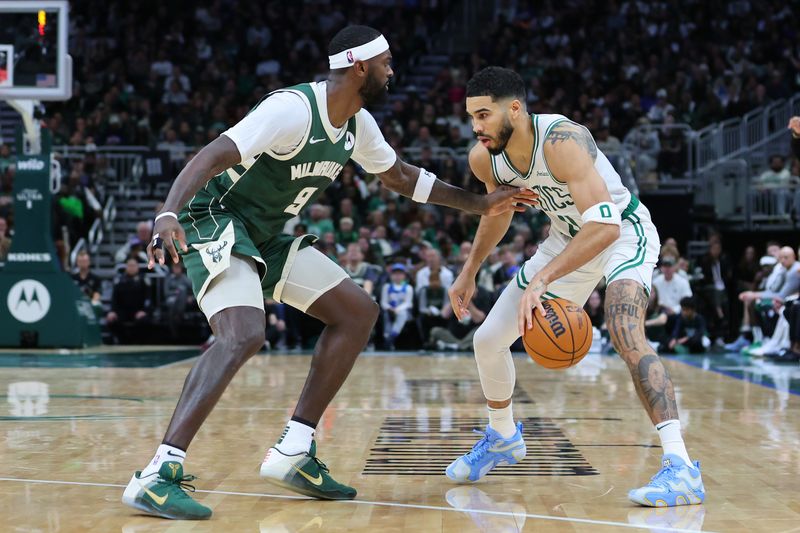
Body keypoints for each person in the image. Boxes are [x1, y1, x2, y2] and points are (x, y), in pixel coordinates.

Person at [123, 27, 535, 520]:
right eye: (385, 63)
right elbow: (211, 156)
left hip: (267, 234)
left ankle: (295, 448)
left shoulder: (358, 126)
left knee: (357, 312)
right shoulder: (291, 109)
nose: (392, 71)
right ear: (360, 66)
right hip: (213, 218)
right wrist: (167, 214)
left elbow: (402, 177)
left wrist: (479, 203)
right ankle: (157, 473)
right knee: (243, 334)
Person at [444, 67, 704, 508]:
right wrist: (469, 270)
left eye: (484, 115)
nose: (476, 127)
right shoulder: (484, 157)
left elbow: (603, 226)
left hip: (622, 233)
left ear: (515, 109)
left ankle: (681, 467)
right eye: (471, 117)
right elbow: (498, 212)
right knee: (488, 340)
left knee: (624, 330)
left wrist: (543, 279)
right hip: (566, 241)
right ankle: (504, 436)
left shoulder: (563, 140)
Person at [380, 263, 414, 349]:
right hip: (389, 310)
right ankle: (387, 336)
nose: (397, 276)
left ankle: (392, 336)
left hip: (403, 311)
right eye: (395, 273)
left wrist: (398, 309)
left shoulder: (408, 288)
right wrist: (390, 308)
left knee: (402, 314)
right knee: (386, 316)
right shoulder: (387, 287)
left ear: (404, 275)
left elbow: (408, 303)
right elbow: (383, 302)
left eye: (400, 273)